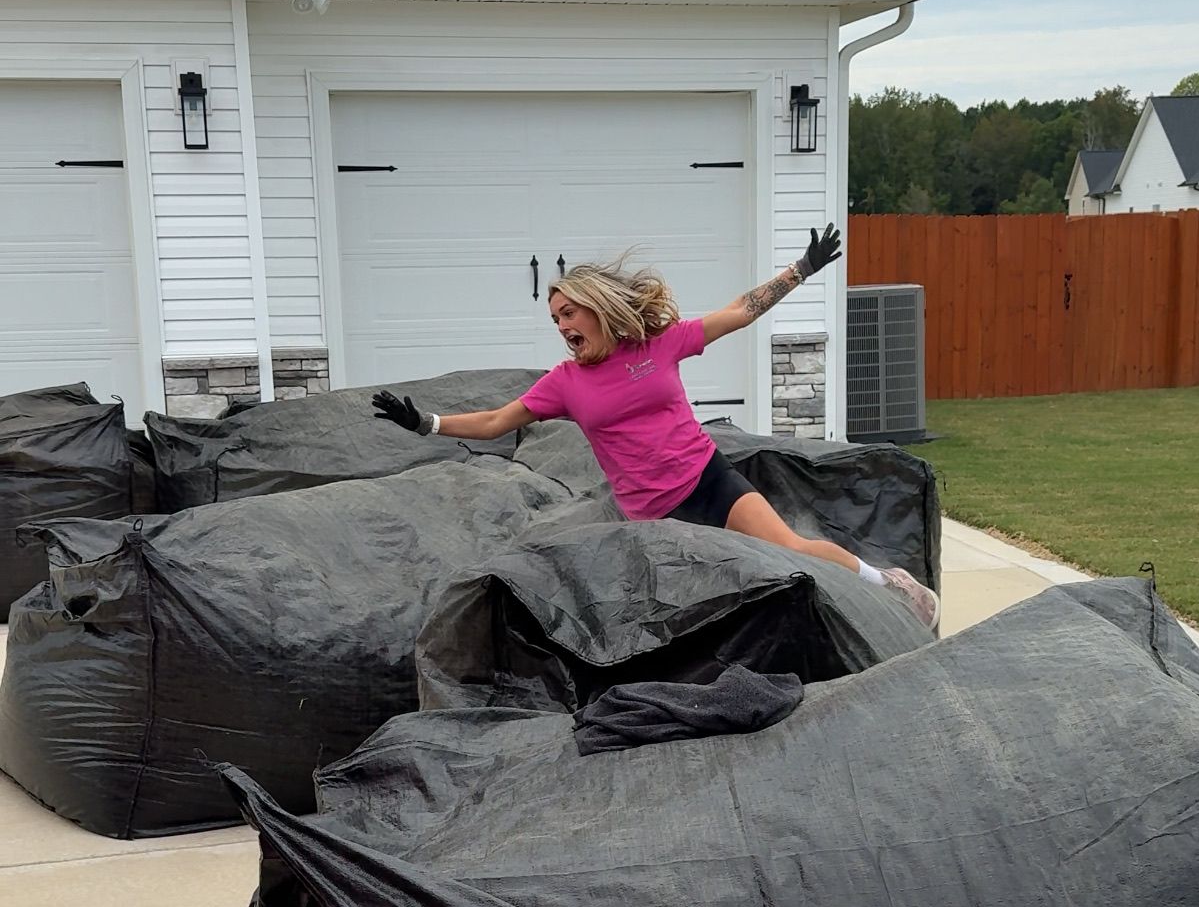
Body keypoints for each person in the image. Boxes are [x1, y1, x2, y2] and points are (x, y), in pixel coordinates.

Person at [372, 226, 939, 628]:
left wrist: (801, 271)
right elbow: (498, 420)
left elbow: (738, 311)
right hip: (657, 517)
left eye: (569, 312)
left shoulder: (658, 345)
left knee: (789, 547)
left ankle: (887, 585)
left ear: (597, 308)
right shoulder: (564, 382)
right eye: (554, 319)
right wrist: (428, 422)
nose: (562, 324)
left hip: (709, 480)